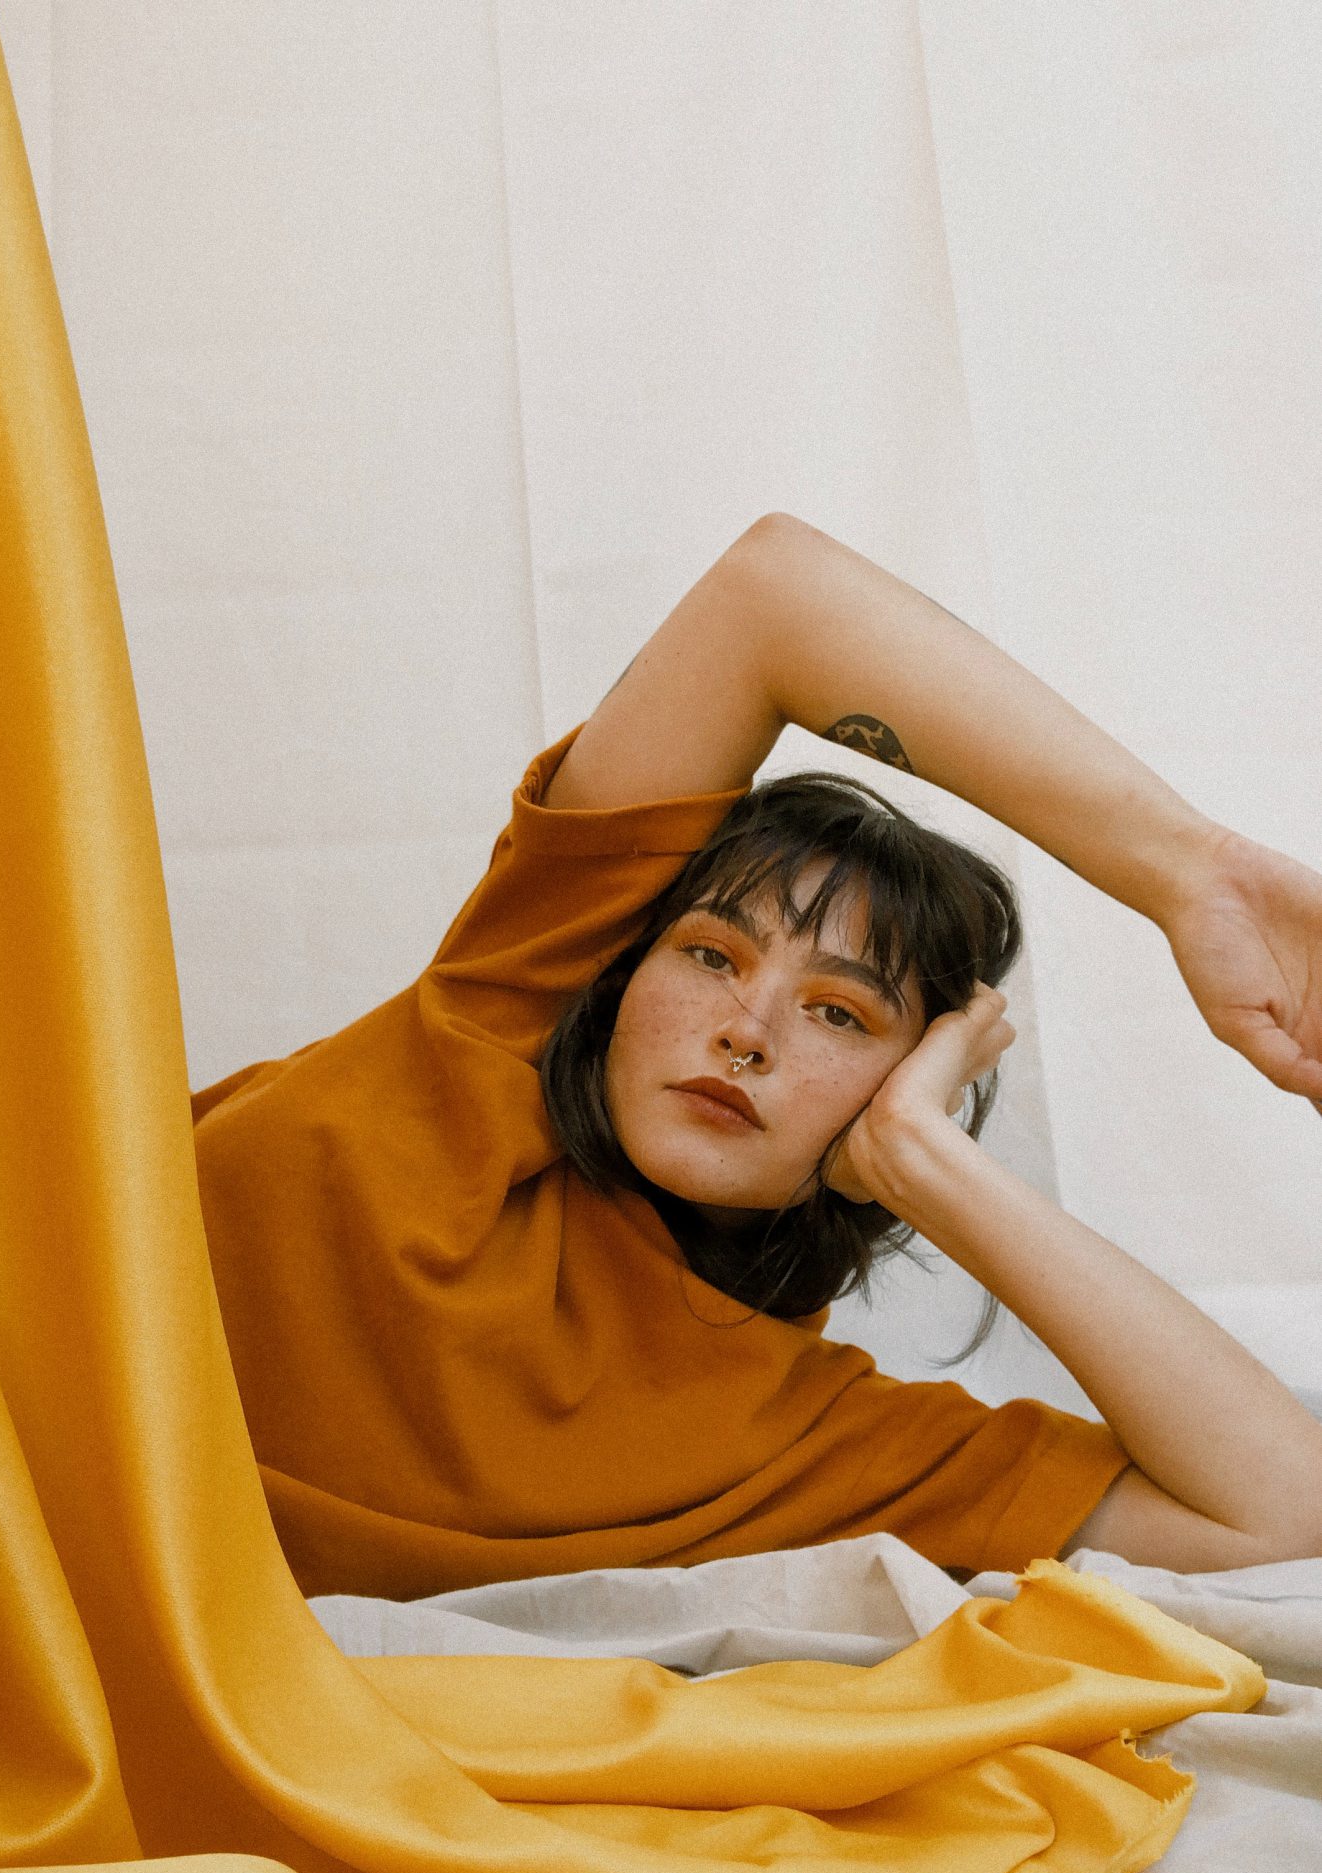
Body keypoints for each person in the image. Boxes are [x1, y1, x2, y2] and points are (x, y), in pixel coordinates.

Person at [192, 513, 1322, 1599]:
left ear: (902, 1083)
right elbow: (779, 595)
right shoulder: (489, 1030)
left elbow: (1281, 1513)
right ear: (619, 975)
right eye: (709, 954)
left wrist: (923, 1158)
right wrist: (1191, 873)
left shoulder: (799, 1441)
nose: (748, 1030)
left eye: (839, 1014)